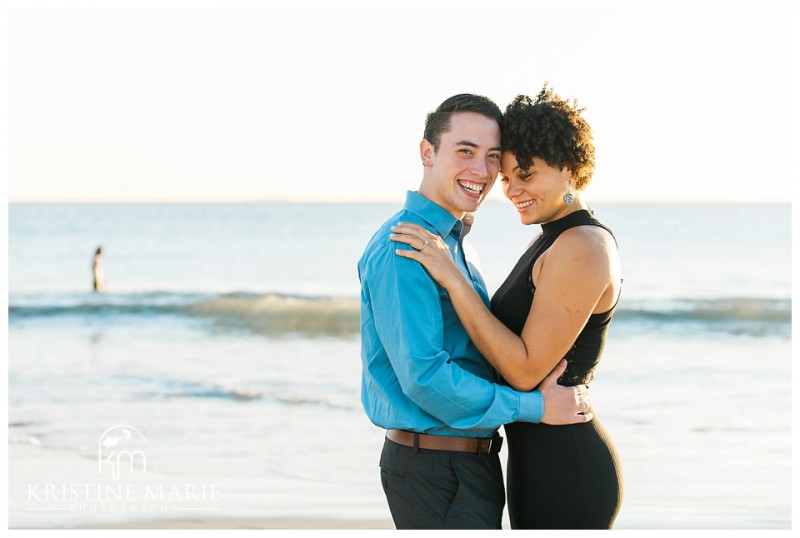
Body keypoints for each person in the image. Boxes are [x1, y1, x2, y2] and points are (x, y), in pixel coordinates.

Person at [390, 85, 623, 529]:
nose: (512, 189)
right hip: (532, 462)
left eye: (527, 174)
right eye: (508, 176)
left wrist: (452, 277)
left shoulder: (584, 245)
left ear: (571, 170)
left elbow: (523, 370)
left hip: (566, 468)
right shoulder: (550, 239)